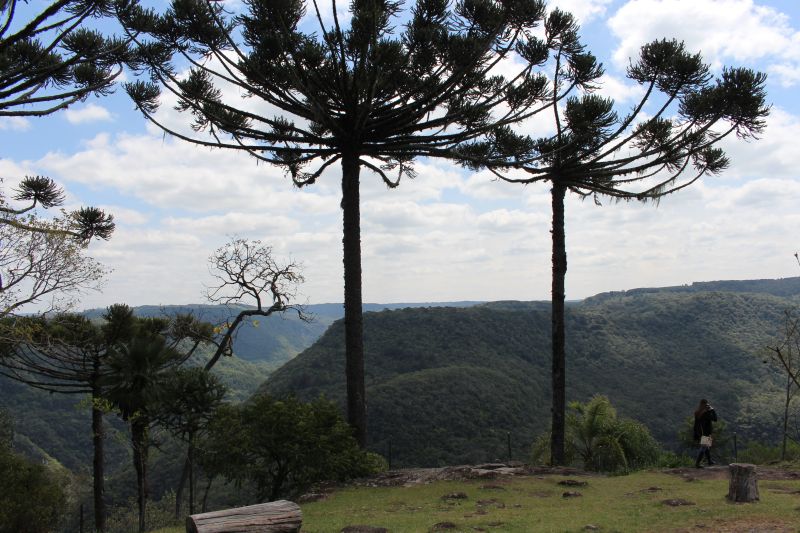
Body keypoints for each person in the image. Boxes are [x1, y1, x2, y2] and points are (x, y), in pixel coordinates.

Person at [693, 399, 717, 468]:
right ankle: (697, 463)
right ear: (706, 405)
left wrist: (695, 433)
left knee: (707, 447)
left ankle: (709, 461)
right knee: (704, 447)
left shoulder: (697, 412)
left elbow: (696, 424)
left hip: (700, 432)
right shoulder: (706, 413)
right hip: (706, 432)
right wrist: (712, 410)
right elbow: (715, 419)